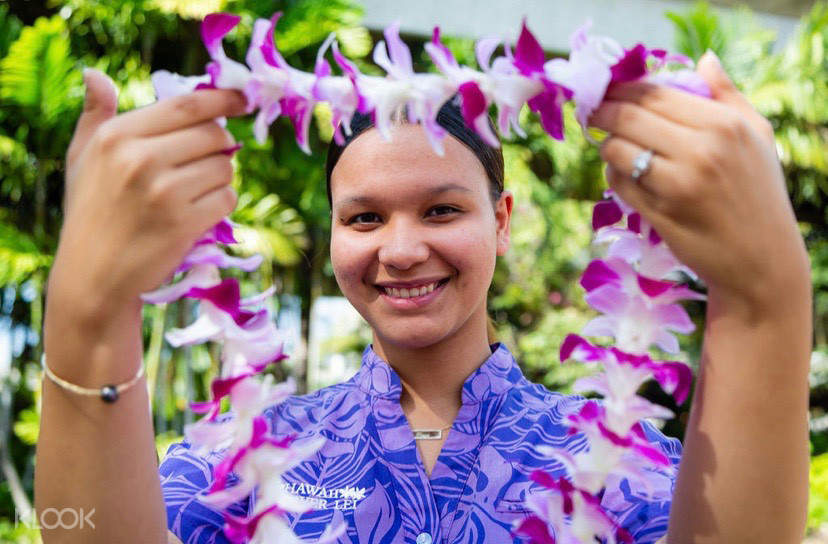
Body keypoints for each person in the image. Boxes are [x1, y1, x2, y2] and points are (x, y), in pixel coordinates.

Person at [35, 49, 812, 544]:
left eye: (442, 210)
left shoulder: (631, 466)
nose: (402, 250)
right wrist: (88, 313)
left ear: (502, 222)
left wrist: (765, 300)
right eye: (365, 217)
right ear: (334, 234)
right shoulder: (232, 460)